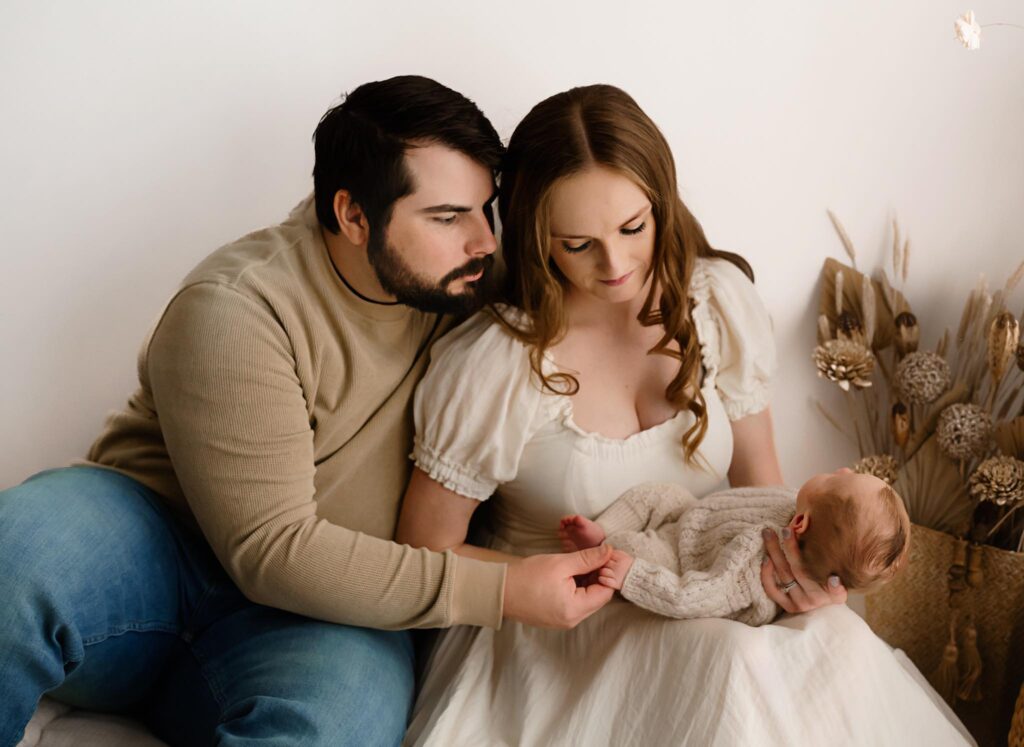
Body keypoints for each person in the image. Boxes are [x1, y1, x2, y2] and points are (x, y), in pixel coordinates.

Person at [0, 76, 616, 747]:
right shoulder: (238, 306)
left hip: (321, 619)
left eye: (483, 210)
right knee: (22, 551)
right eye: (446, 217)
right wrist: (500, 590)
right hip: (155, 551)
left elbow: (627, 273)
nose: (483, 242)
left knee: (337, 724)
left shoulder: (473, 288)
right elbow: (271, 549)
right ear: (353, 216)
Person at [397, 84, 972, 745]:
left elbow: (765, 487)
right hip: (563, 625)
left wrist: (805, 575)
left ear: (661, 207)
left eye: (632, 228)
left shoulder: (715, 304)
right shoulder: (494, 365)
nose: (615, 264)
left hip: (711, 585)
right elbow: (422, 547)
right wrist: (545, 580)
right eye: (577, 243)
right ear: (534, 236)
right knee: (730, 663)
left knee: (833, 637)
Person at [558, 468, 911, 625]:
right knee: (657, 493)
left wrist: (634, 576)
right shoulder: (803, 511)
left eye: (839, 479)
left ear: (800, 525)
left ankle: (599, 553)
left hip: (681, 562)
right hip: (693, 517)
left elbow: (695, 597)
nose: (844, 469)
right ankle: (602, 528)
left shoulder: (753, 562)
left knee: (632, 550)